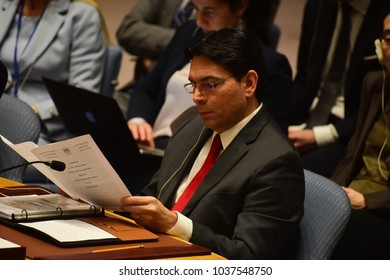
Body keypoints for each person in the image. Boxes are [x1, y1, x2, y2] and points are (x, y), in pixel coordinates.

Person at [120, 28, 305, 260]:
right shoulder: (193, 126)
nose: (197, 96)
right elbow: (153, 196)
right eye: (193, 85)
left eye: (210, 85)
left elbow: (249, 256)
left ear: (249, 83)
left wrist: (176, 225)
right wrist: (94, 200)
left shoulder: (277, 161)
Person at [127, 0, 293, 151]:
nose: (200, 21)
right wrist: (138, 121)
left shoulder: (270, 64)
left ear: (240, 6)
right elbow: (147, 88)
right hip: (150, 145)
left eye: (209, 11)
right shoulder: (189, 32)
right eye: (195, 9)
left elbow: (270, 142)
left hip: (201, 160)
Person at [288, 0, 390, 178]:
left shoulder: (385, 15)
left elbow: (378, 105)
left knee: (293, 175)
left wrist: (320, 135)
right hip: (310, 114)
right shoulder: (318, 5)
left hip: (352, 131)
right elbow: (303, 77)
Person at [0, 0, 105, 143]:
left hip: (44, 126)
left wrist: (27, 115)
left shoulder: (81, 15)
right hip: (3, 110)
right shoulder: (4, 5)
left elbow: (83, 94)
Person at [330, 13, 390, 260]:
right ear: (379, 48)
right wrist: (331, 192)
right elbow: (352, 153)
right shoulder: (375, 83)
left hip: (381, 204)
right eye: (388, 37)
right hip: (356, 188)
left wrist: (367, 200)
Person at [116, 0, 195, 82]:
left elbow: (196, 46)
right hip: (139, 84)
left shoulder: (206, 8)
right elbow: (127, 30)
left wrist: (151, 62)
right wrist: (181, 39)